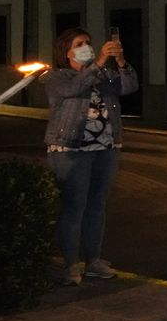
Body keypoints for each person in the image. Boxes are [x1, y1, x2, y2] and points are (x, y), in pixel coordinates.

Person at [42, 28, 140, 285]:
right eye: (80, 43)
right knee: (74, 207)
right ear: (67, 51)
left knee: (97, 206)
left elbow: (129, 86)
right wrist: (97, 63)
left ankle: (93, 260)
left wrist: (119, 61)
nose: (87, 46)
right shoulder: (57, 76)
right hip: (71, 150)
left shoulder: (103, 74)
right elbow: (75, 88)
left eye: (88, 42)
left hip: (105, 148)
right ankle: (71, 265)